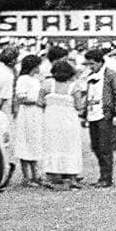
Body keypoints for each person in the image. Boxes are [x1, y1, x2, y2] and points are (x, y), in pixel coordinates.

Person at [81, 48, 116, 187]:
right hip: (92, 113)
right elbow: (87, 96)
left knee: (105, 147)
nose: (90, 67)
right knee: (95, 146)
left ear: (100, 62)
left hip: (105, 114)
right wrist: (84, 114)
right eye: (88, 64)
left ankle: (106, 177)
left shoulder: (112, 75)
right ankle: (102, 175)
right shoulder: (89, 76)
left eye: (92, 64)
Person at [42, 58, 84, 190]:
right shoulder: (74, 86)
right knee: (70, 147)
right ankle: (71, 176)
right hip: (69, 122)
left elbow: (39, 101)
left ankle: (53, 174)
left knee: (52, 146)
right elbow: (79, 106)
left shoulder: (47, 85)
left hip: (51, 121)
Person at [14, 54, 47, 187]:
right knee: (26, 142)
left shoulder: (36, 79)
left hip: (36, 114)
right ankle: (27, 177)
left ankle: (35, 175)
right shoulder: (23, 79)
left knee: (35, 142)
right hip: (27, 113)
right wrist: (35, 101)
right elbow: (20, 97)